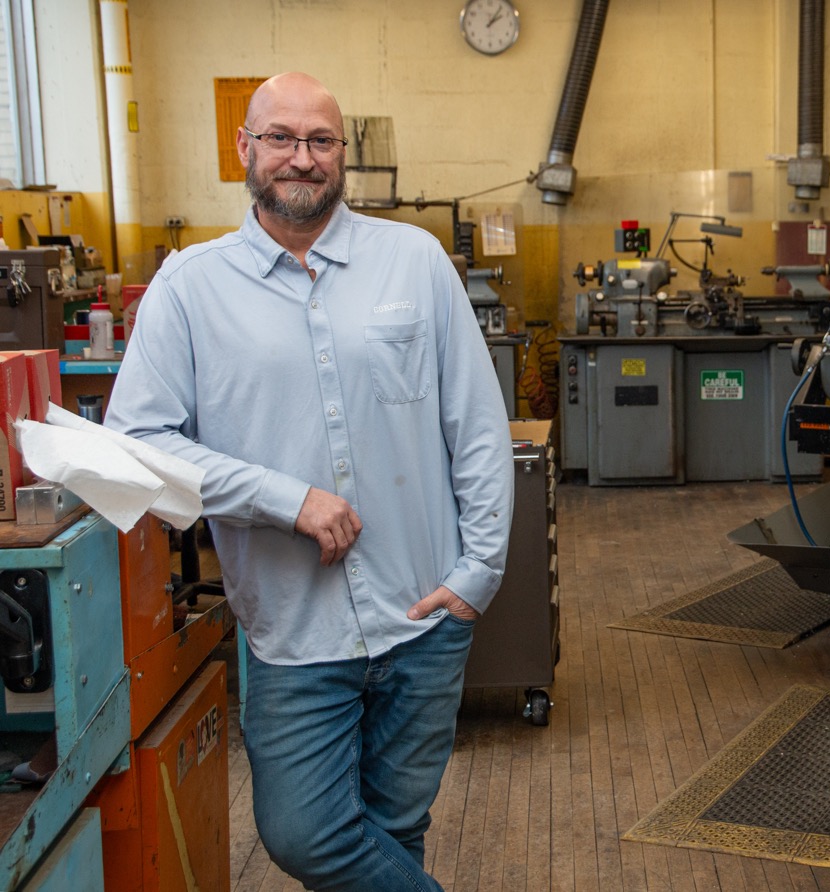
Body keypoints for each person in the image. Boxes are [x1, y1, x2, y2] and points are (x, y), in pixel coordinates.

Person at [106, 72, 514, 892]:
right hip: (294, 634)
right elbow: (138, 443)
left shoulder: (416, 262)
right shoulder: (191, 289)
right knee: (306, 838)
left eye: (320, 141)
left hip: (424, 616)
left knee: (396, 831)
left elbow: (475, 424)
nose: (302, 157)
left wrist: (478, 575)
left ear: (341, 155)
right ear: (245, 150)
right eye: (282, 138)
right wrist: (282, 499)